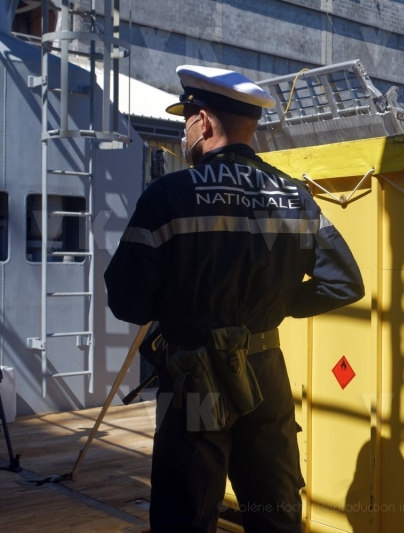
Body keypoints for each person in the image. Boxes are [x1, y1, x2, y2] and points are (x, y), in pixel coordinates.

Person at [105, 65, 365, 533]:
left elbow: (127, 301)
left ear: (204, 122)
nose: (185, 131)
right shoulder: (294, 196)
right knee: (274, 513)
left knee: (185, 515)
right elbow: (344, 282)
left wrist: (180, 306)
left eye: (187, 120)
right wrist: (278, 303)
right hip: (264, 377)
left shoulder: (168, 195)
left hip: (196, 380)